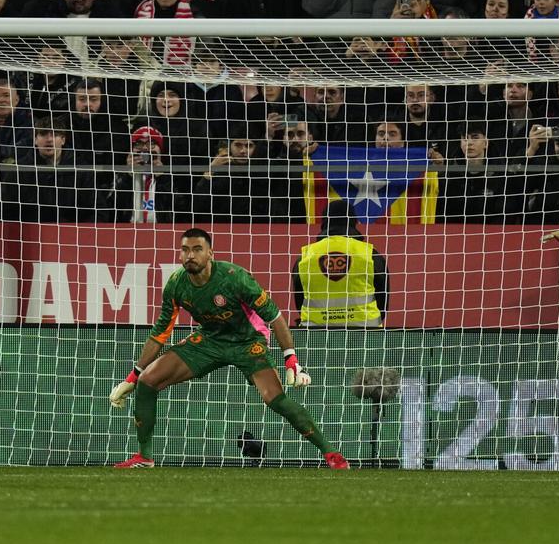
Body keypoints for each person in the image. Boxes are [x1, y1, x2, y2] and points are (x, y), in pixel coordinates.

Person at [108, 228, 350, 470]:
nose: (190, 255)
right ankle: (144, 457)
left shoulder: (235, 278)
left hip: (249, 341)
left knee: (275, 399)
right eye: (185, 250)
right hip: (210, 340)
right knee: (148, 381)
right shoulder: (176, 285)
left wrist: (291, 360)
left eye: (197, 249)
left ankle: (331, 453)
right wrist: (134, 376)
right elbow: (160, 332)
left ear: (210, 254)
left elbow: (275, 317)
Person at [292, 199, 387, 328]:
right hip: (366, 334)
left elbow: (299, 300)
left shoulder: (305, 257)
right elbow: (383, 300)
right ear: (354, 222)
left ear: (325, 222)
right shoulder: (371, 254)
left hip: (315, 335)